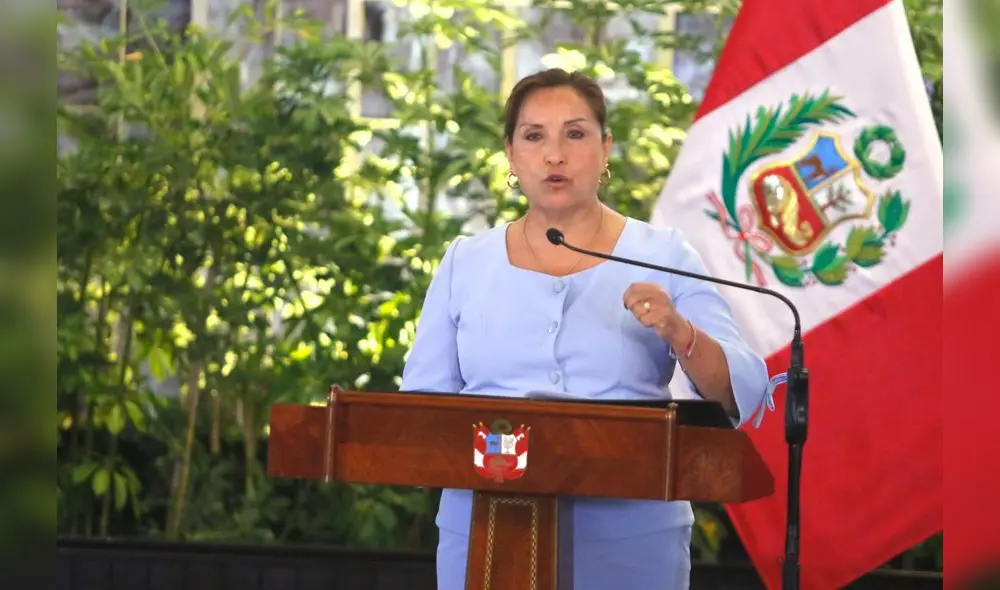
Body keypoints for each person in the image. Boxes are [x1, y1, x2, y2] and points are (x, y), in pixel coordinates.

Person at [399, 67, 769, 590]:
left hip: (631, 535)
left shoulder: (662, 254)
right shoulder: (466, 261)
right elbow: (419, 412)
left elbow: (741, 389)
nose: (555, 155)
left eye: (574, 134)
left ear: (605, 148)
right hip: (487, 529)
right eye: (534, 136)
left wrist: (680, 332)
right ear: (511, 155)